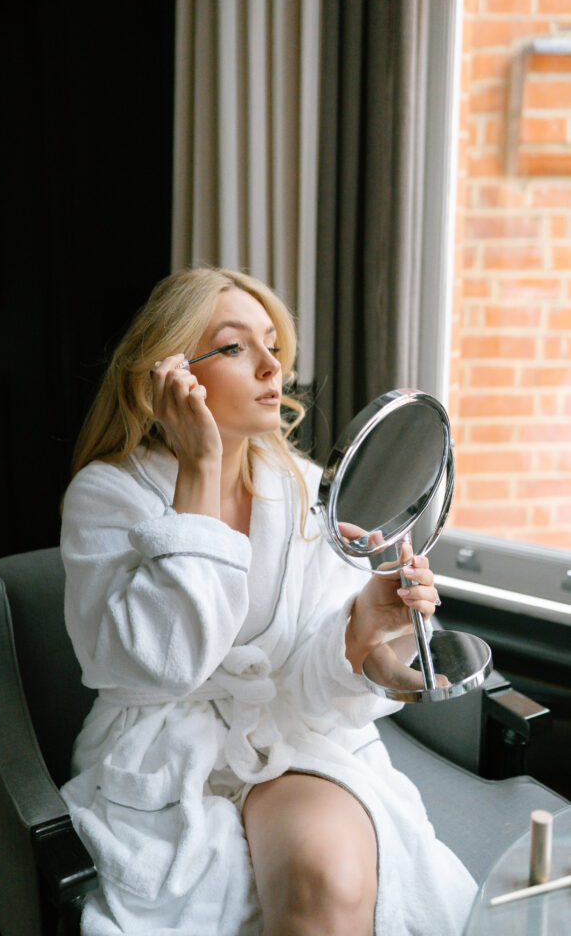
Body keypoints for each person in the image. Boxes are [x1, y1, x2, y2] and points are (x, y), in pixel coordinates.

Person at [60, 266, 476, 936]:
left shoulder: (306, 490)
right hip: (162, 752)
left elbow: (314, 689)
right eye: (233, 347)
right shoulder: (109, 496)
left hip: (286, 738)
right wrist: (199, 470)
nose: (268, 366)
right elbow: (159, 669)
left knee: (329, 877)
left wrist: (358, 632)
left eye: (273, 346)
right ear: (168, 374)